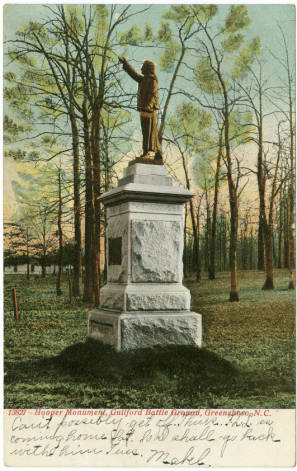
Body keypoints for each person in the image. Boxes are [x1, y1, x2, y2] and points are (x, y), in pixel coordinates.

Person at [119, 57, 162, 160]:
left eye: (143, 66)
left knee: (149, 132)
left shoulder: (152, 81)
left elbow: (152, 95)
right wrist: (126, 64)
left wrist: (148, 106)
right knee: (146, 132)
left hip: (149, 111)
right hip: (144, 110)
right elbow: (134, 74)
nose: (141, 68)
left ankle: (148, 152)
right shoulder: (143, 79)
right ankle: (151, 152)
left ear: (148, 68)